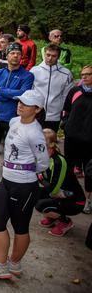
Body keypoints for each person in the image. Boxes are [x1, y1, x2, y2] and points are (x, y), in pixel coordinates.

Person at [0, 90, 48, 280]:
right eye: (20, 102)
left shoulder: (35, 133)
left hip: (24, 185)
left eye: (26, 104)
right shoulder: (13, 121)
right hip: (7, 180)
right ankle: (1, 264)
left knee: (20, 226)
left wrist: (24, 172)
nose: (20, 105)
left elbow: (43, 163)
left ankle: (13, 263)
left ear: (37, 109)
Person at [0, 43, 34, 190]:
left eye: (18, 53)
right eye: (12, 53)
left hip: (13, 119)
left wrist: (1, 90)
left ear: (21, 57)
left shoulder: (27, 75)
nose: (15, 55)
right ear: (7, 56)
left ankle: (10, 179)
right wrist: (10, 94)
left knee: (13, 150)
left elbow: (22, 94)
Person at [35, 129, 86, 237]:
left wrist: (40, 178)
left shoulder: (59, 161)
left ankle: (65, 221)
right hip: (59, 193)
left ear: (51, 145)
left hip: (74, 200)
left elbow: (52, 188)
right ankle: (53, 216)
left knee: (40, 205)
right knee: (33, 194)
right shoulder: (42, 156)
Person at [61, 63, 92, 213]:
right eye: (82, 74)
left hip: (89, 142)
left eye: (88, 74)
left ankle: (88, 199)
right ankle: (70, 193)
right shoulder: (75, 91)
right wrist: (66, 126)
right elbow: (66, 110)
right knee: (68, 167)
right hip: (72, 138)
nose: (84, 76)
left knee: (89, 172)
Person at [31, 44, 73, 132]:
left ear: (58, 57)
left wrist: (63, 113)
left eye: (54, 56)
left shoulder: (66, 73)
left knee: (49, 142)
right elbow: (30, 92)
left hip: (54, 116)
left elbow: (67, 96)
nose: (50, 58)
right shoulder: (34, 71)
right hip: (35, 114)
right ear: (44, 54)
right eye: (48, 55)